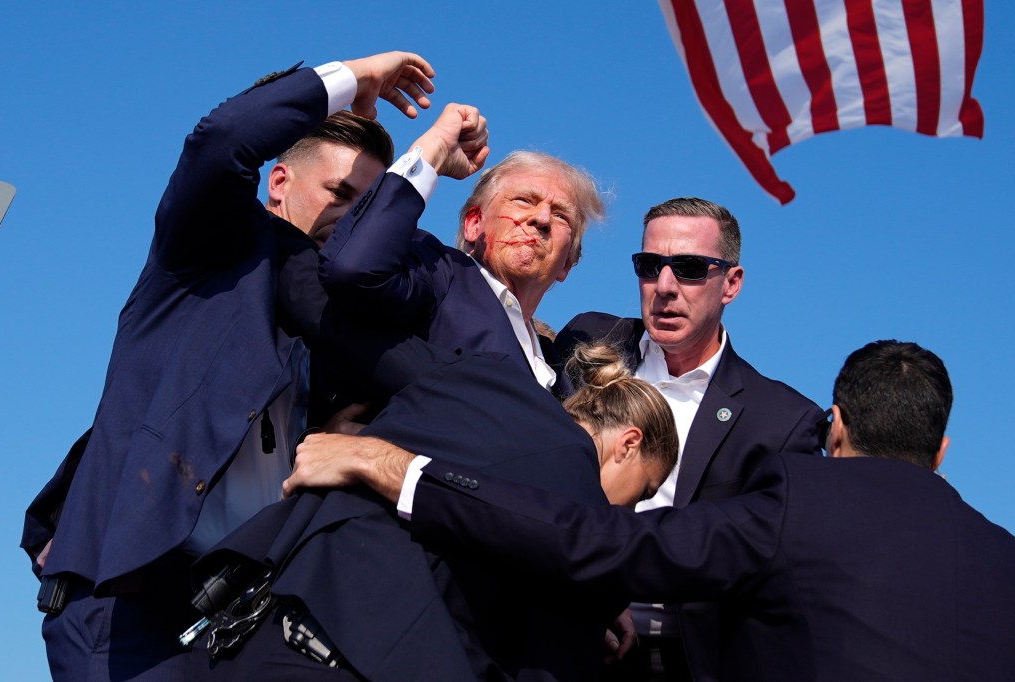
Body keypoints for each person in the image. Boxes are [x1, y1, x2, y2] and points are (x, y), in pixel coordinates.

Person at [18, 51, 489, 680]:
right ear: (279, 183)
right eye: (338, 194)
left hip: (242, 611)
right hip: (128, 604)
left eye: (364, 208)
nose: (348, 219)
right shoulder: (206, 251)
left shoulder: (338, 323)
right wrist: (359, 77)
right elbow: (222, 139)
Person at [308, 340, 1015, 681]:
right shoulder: (1001, 558)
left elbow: (598, 541)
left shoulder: (800, 501)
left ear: (836, 426)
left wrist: (399, 468)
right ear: (943, 450)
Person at [187, 336, 676, 681]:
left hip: (255, 628)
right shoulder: (586, 519)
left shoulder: (483, 382)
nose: (628, 511)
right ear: (628, 443)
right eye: (643, 490)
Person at [555, 197, 825, 678]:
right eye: (649, 265)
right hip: (552, 629)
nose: (664, 286)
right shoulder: (584, 340)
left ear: (732, 284)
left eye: (689, 268)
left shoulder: (781, 422)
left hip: (678, 661)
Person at [318, 136, 605, 397]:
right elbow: (355, 269)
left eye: (561, 216)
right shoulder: (438, 274)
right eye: (524, 200)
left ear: (566, 263)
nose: (541, 218)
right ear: (474, 224)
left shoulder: (559, 374)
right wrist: (433, 152)